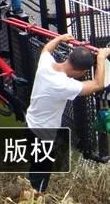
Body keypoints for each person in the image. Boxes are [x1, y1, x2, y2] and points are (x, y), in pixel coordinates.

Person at [25, 33, 110, 193]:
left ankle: (30, 188)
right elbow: (98, 85)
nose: (83, 76)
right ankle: (33, 196)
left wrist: (60, 38)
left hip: (30, 124)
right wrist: (101, 57)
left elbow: (46, 48)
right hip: (43, 135)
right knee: (40, 177)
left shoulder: (46, 64)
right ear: (79, 71)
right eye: (84, 73)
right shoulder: (63, 85)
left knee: (36, 165)